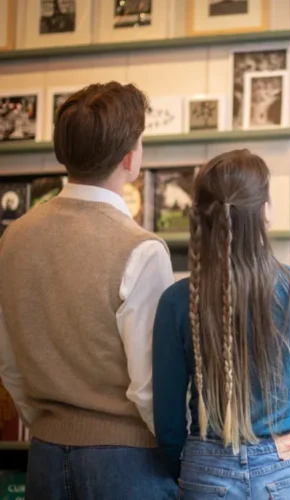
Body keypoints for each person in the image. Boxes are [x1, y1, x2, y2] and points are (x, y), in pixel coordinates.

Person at [0, 82, 177, 499]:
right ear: (131, 157)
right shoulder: (141, 248)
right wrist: (177, 454)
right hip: (127, 461)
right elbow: (150, 386)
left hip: (43, 454)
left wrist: (49, 422)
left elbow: (9, 364)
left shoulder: (13, 239)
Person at [153, 149, 290, 499]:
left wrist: (195, 468)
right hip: (289, 467)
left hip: (205, 468)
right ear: (265, 211)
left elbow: (168, 424)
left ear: (201, 217)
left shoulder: (176, 301)